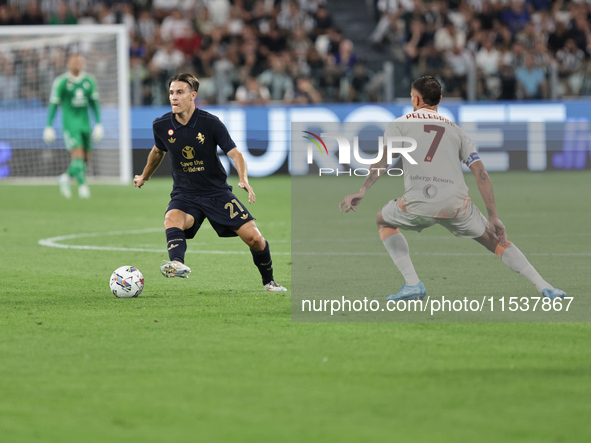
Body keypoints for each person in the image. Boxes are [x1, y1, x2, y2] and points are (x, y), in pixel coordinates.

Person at [339, 76, 566, 301]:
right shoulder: (457, 131)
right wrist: (494, 216)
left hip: (419, 202)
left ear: (417, 100)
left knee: (383, 220)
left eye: (411, 97)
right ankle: (544, 286)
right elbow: (481, 173)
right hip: (456, 204)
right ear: (439, 100)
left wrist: (363, 189)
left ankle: (412, 284)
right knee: (497, 241)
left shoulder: (400, 124)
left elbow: (384, 160)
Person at [133, 73, 286, 292]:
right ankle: (176, 263)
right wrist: (144, 176)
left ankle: (269, 281)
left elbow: (236, 154)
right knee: (171, 219)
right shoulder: (161, 125)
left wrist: (244, 179)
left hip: (216, 193)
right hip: (185, 194)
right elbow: (157, 152)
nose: (173, 97)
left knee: (255, 239)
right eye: (171, 93)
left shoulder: (210, 123)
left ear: (193, 95)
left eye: (180, 92)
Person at [44, 54, 103, 199]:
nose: (77, 64)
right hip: (70, 124)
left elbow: (94, 103)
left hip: (85, 123)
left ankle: (64, 177)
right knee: (77, 154)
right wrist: (49, 126)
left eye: (80, 62)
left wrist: (99, 124)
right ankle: (83, 186)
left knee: (86, 157)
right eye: (74, 62)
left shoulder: (89, 80)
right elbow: (53, 104)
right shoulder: (61, 82)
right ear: (68, 64)